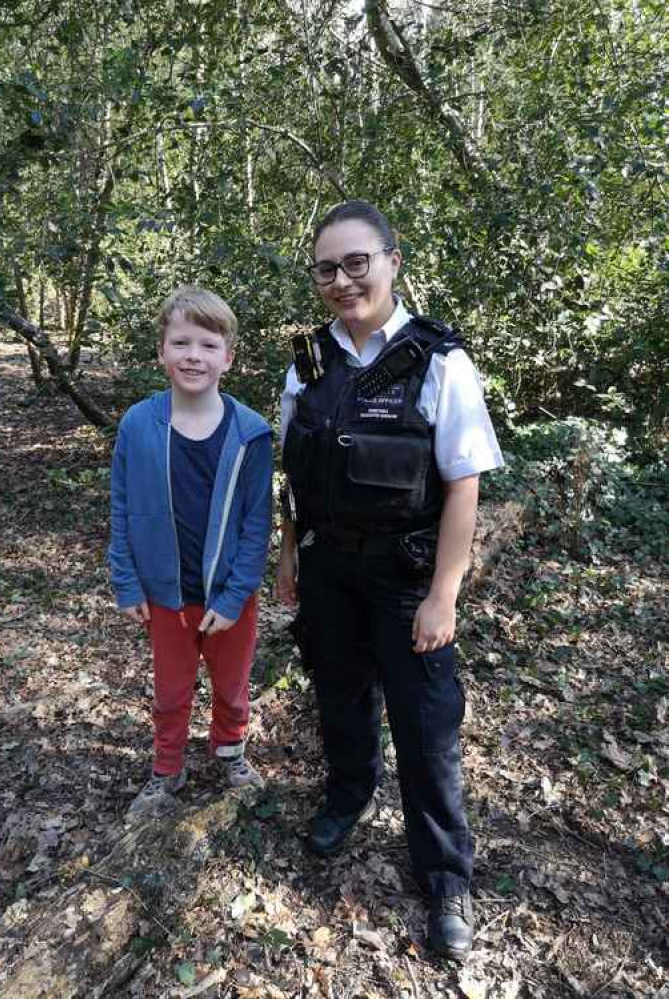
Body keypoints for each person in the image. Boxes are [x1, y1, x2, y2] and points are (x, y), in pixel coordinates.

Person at [276, 201, 503, 960]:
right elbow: (294, 470)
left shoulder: (440, 360)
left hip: (407, 576)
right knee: (338, 695)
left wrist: (445, 593)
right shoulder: (308, 361)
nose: (341, 280)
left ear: (392, 261)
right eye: (326, 268)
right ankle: (348, 794)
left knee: (425, 724)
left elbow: (463, 484)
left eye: (355, 262)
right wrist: (289, 552)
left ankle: (445, 874)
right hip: (329, 569)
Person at [109, 285, 273, 819]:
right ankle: (167, 768)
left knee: (231, 686)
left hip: (229, 597)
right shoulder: (139, 424)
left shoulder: (250, 433)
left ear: (228, 356)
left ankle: (230, 752)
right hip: (166, 595)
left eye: (207, 344)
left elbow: (256, 522)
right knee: (171, 691)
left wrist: (236, 594)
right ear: (161, 351)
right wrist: (127, 581)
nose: (193, 356)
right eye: (181, 342)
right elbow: (122, 504)